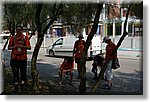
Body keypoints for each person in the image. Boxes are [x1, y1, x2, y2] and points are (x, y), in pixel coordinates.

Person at [8, 25, 31, 90]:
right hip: (14, 58)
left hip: (23, 58)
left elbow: (29, 47)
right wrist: (15, 46)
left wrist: (22, 46)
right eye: (17, 30)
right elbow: (9, 47)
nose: (18, 31)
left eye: (20, 30)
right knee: (15, 73)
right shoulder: (13, 38)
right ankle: (16, 85)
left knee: (23, 73)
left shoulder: (25, 38)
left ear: (22, 30)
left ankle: (23, 85)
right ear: (16, 30)